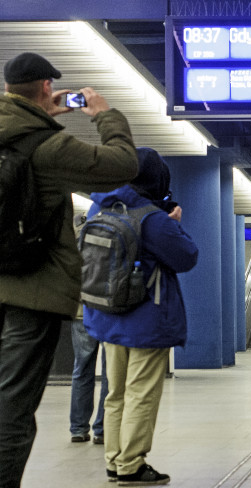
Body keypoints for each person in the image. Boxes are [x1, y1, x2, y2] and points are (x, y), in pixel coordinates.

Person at [0, 52, 138, 488]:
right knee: (12, 409)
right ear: (46, 88)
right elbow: (121, 164)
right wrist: (105, 114)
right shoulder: (45, 145)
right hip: (30, 291)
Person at [84, 147, 198, 485]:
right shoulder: (153, 219)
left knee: (114, 392)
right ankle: (131, 465)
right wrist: (174, 224)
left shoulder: (98, 206)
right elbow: (186, 257)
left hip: (107, 316)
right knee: (141, 393)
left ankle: (114, 459)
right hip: (146, 319)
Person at [69, 213, 108, 445]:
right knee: (109, 373)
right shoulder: (117, 228)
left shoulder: (76, 234)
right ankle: (102, 429)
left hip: (81, 310)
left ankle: (78, 428)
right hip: (108, 310)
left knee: (81, 369)